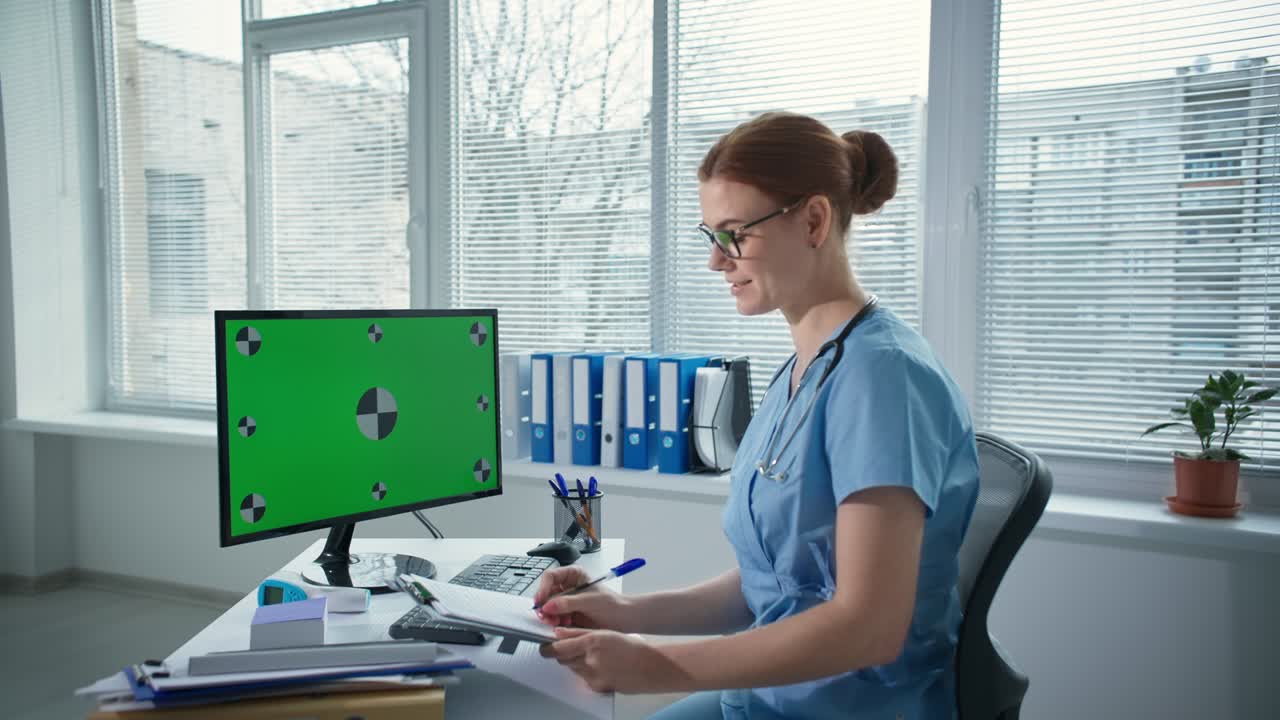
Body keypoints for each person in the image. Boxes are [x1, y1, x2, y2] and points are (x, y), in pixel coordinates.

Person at [536, 111, 980, 720]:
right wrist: (628, 612)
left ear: (815, 220)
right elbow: (775, 585)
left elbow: (868, 627)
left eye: (734, 233)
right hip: (770, 697)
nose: (717, 262)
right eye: (710, 236)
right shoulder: (804, 368)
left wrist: (661, 665)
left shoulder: (884, 379)